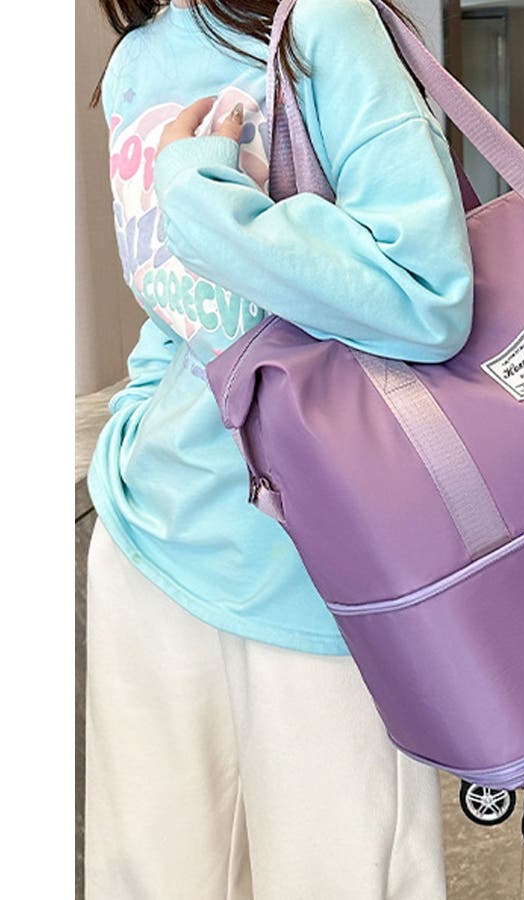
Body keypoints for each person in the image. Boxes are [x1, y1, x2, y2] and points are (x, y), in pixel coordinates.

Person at [85, 0, 474, 896]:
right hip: (148, 541)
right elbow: (175, 313)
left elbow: (427, 295)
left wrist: (205, 199)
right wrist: (134, 424)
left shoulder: (322, 21)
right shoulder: (135, 61)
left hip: (317, 568)